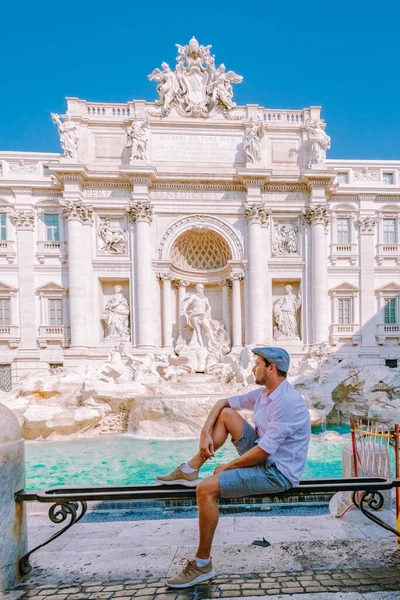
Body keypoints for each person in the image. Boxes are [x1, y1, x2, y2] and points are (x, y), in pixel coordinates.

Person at [156, 346, 310, 588]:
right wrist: (204, 433)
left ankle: (202, 564)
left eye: (257, 363)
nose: (253, 367)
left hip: (276, 473)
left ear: (271, 368)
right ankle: (190, 469)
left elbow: (263, 452)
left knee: (205, 489)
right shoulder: (264, 394)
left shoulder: (287, 402)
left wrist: (227, 466)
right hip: (262, 455)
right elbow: (222, 402)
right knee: (228, 414)